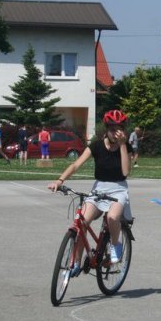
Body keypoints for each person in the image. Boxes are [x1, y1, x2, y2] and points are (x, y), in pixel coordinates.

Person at [47, 110, 131, 274]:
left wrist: (122, 145)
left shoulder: (125, 146)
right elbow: (76, 165)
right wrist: (60, 180)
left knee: (113, 217)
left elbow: (126, 171)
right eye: (112, 129)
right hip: (99, 189)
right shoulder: (97, 146)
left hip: (118, 189)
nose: (116, 133)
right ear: (106, 129)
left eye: (119, 129)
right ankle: (76, 263)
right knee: (81, 222)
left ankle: (115, 245)